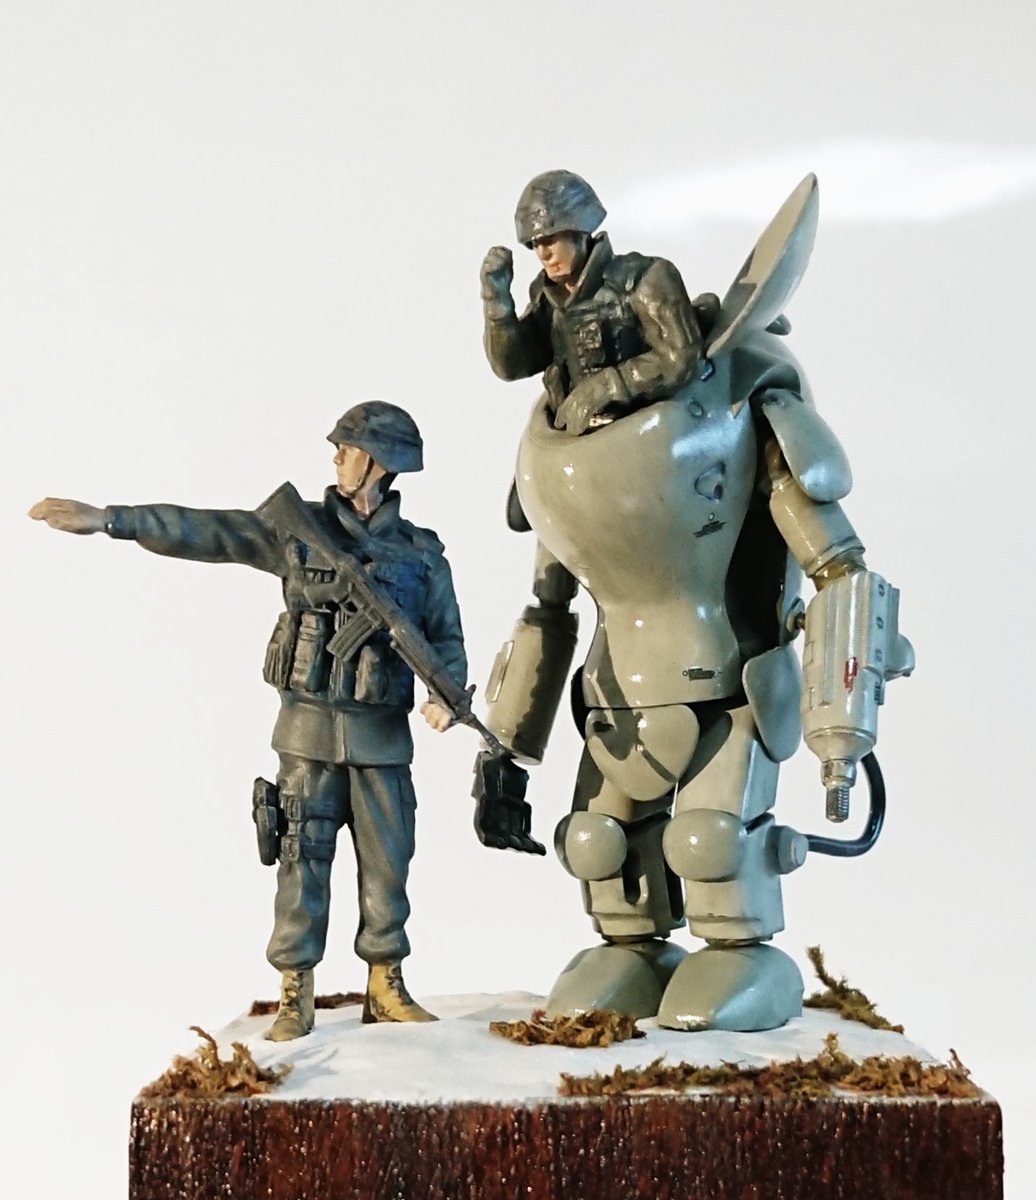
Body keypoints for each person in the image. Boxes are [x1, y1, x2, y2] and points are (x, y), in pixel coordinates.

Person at [29, 401, 466, 1041]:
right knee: (301, 859)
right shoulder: (298, 531)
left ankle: (386, 983)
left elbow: (445, 639)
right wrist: (113, 520)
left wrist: (445, 699)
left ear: (378, 464)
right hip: (307, 733)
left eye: (347, 450)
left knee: (389, 863)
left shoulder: (422, 556)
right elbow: (213, 531)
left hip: (382, 739)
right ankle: (296, 991)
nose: (336, 459)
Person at [479, 169, 705, 436]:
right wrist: (497, 305)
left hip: (645, 433)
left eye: (550, 239)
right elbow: (512, 366)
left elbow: (680, 358)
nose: (543, 253)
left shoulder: (644, 279)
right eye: (535, 243)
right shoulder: (547, 298)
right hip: (571, 440)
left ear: (579, 230)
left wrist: (609, 384)